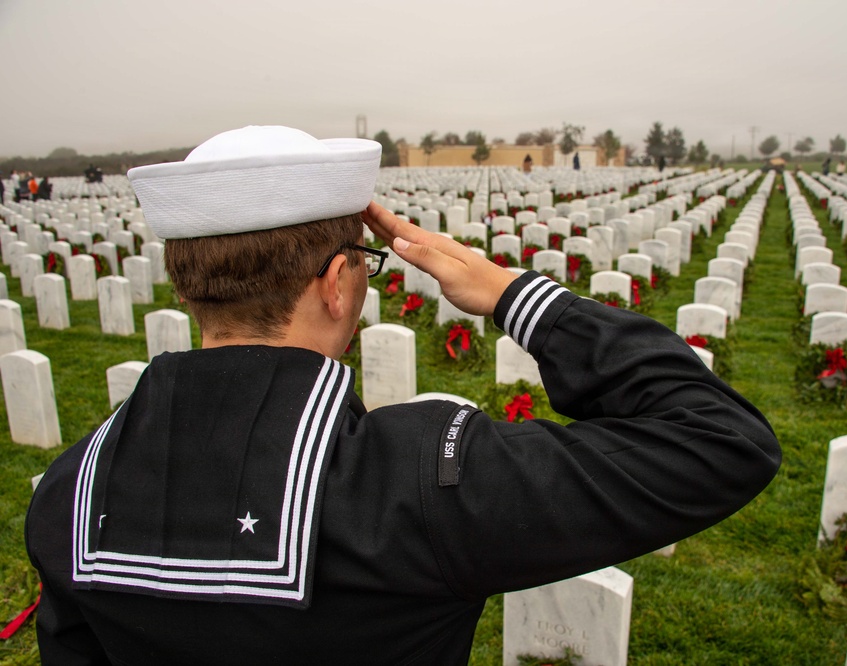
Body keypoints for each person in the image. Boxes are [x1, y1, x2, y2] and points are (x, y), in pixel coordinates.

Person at [25, 125, 781, 665]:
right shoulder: (418, 485)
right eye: (361, 262)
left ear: (190, 284)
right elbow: (721, 441)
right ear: (336, 282)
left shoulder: (70, 489)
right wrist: (518, 294)